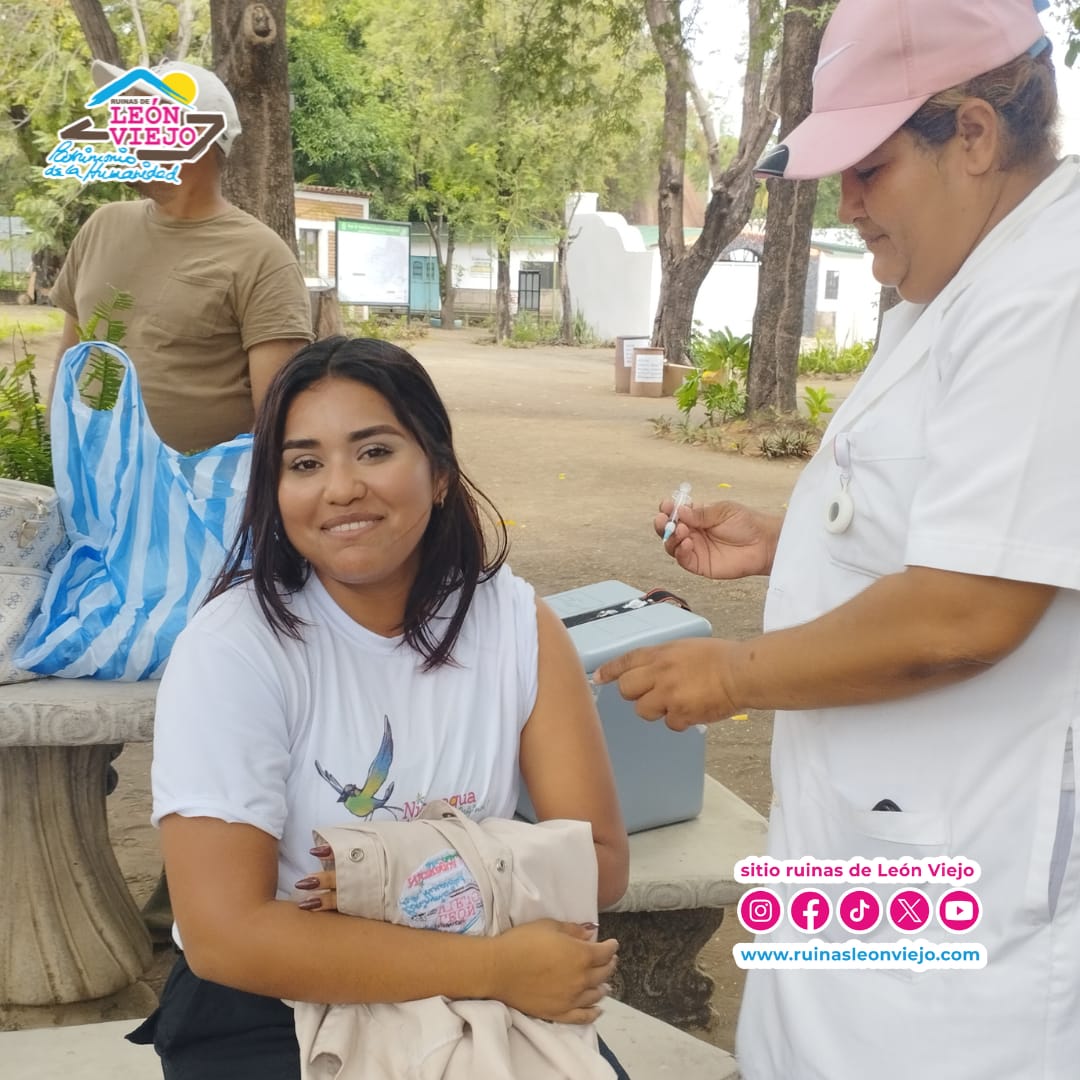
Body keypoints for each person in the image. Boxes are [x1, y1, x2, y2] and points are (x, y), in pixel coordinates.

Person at [594, 1, 1080, 1077]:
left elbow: (968, 611)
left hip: (968, 878)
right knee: (801, 1043)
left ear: (975, 133)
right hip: (872, 832)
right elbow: (966, 525)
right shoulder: (961, 281)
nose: (847, 202)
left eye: (867, 165)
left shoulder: (1053, 293)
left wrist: (733, 672)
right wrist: (798, 541)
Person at [127, 336, 631, 1079]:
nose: (340, 488)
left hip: (487, 976)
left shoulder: (517, 625)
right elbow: (226, 936)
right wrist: (488, 961)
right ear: (275, 491)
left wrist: (397, 879)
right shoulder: (234, 648)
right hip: (272, 997)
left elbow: (601, 864)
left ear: (437, 473)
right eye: (304, 463)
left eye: (373, 451)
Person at [50, 58, 313, 454]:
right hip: (85, 492)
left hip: (201, 505)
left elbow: (277, 422)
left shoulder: (262, 257)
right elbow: (68, 362)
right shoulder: (100, 227)